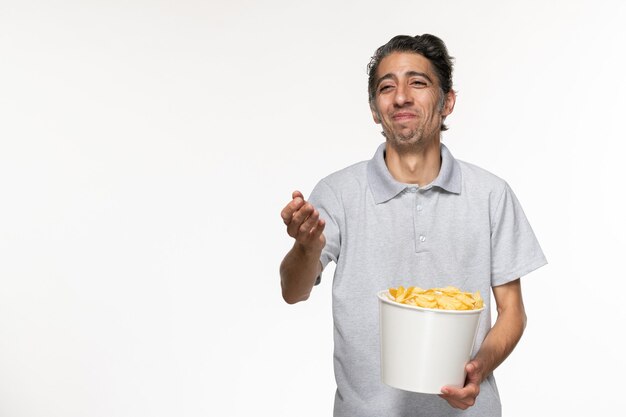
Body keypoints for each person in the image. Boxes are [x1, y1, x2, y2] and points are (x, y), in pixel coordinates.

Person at [279, 34, 547, 417]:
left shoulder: (491, 194)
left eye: (417, 83)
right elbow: (293, 290)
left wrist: (478, 370)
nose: (401, 96)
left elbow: (513, 312)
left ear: (447, 102)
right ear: (375, 109)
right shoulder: (338, 192)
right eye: (387, 87)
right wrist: (305, 248)